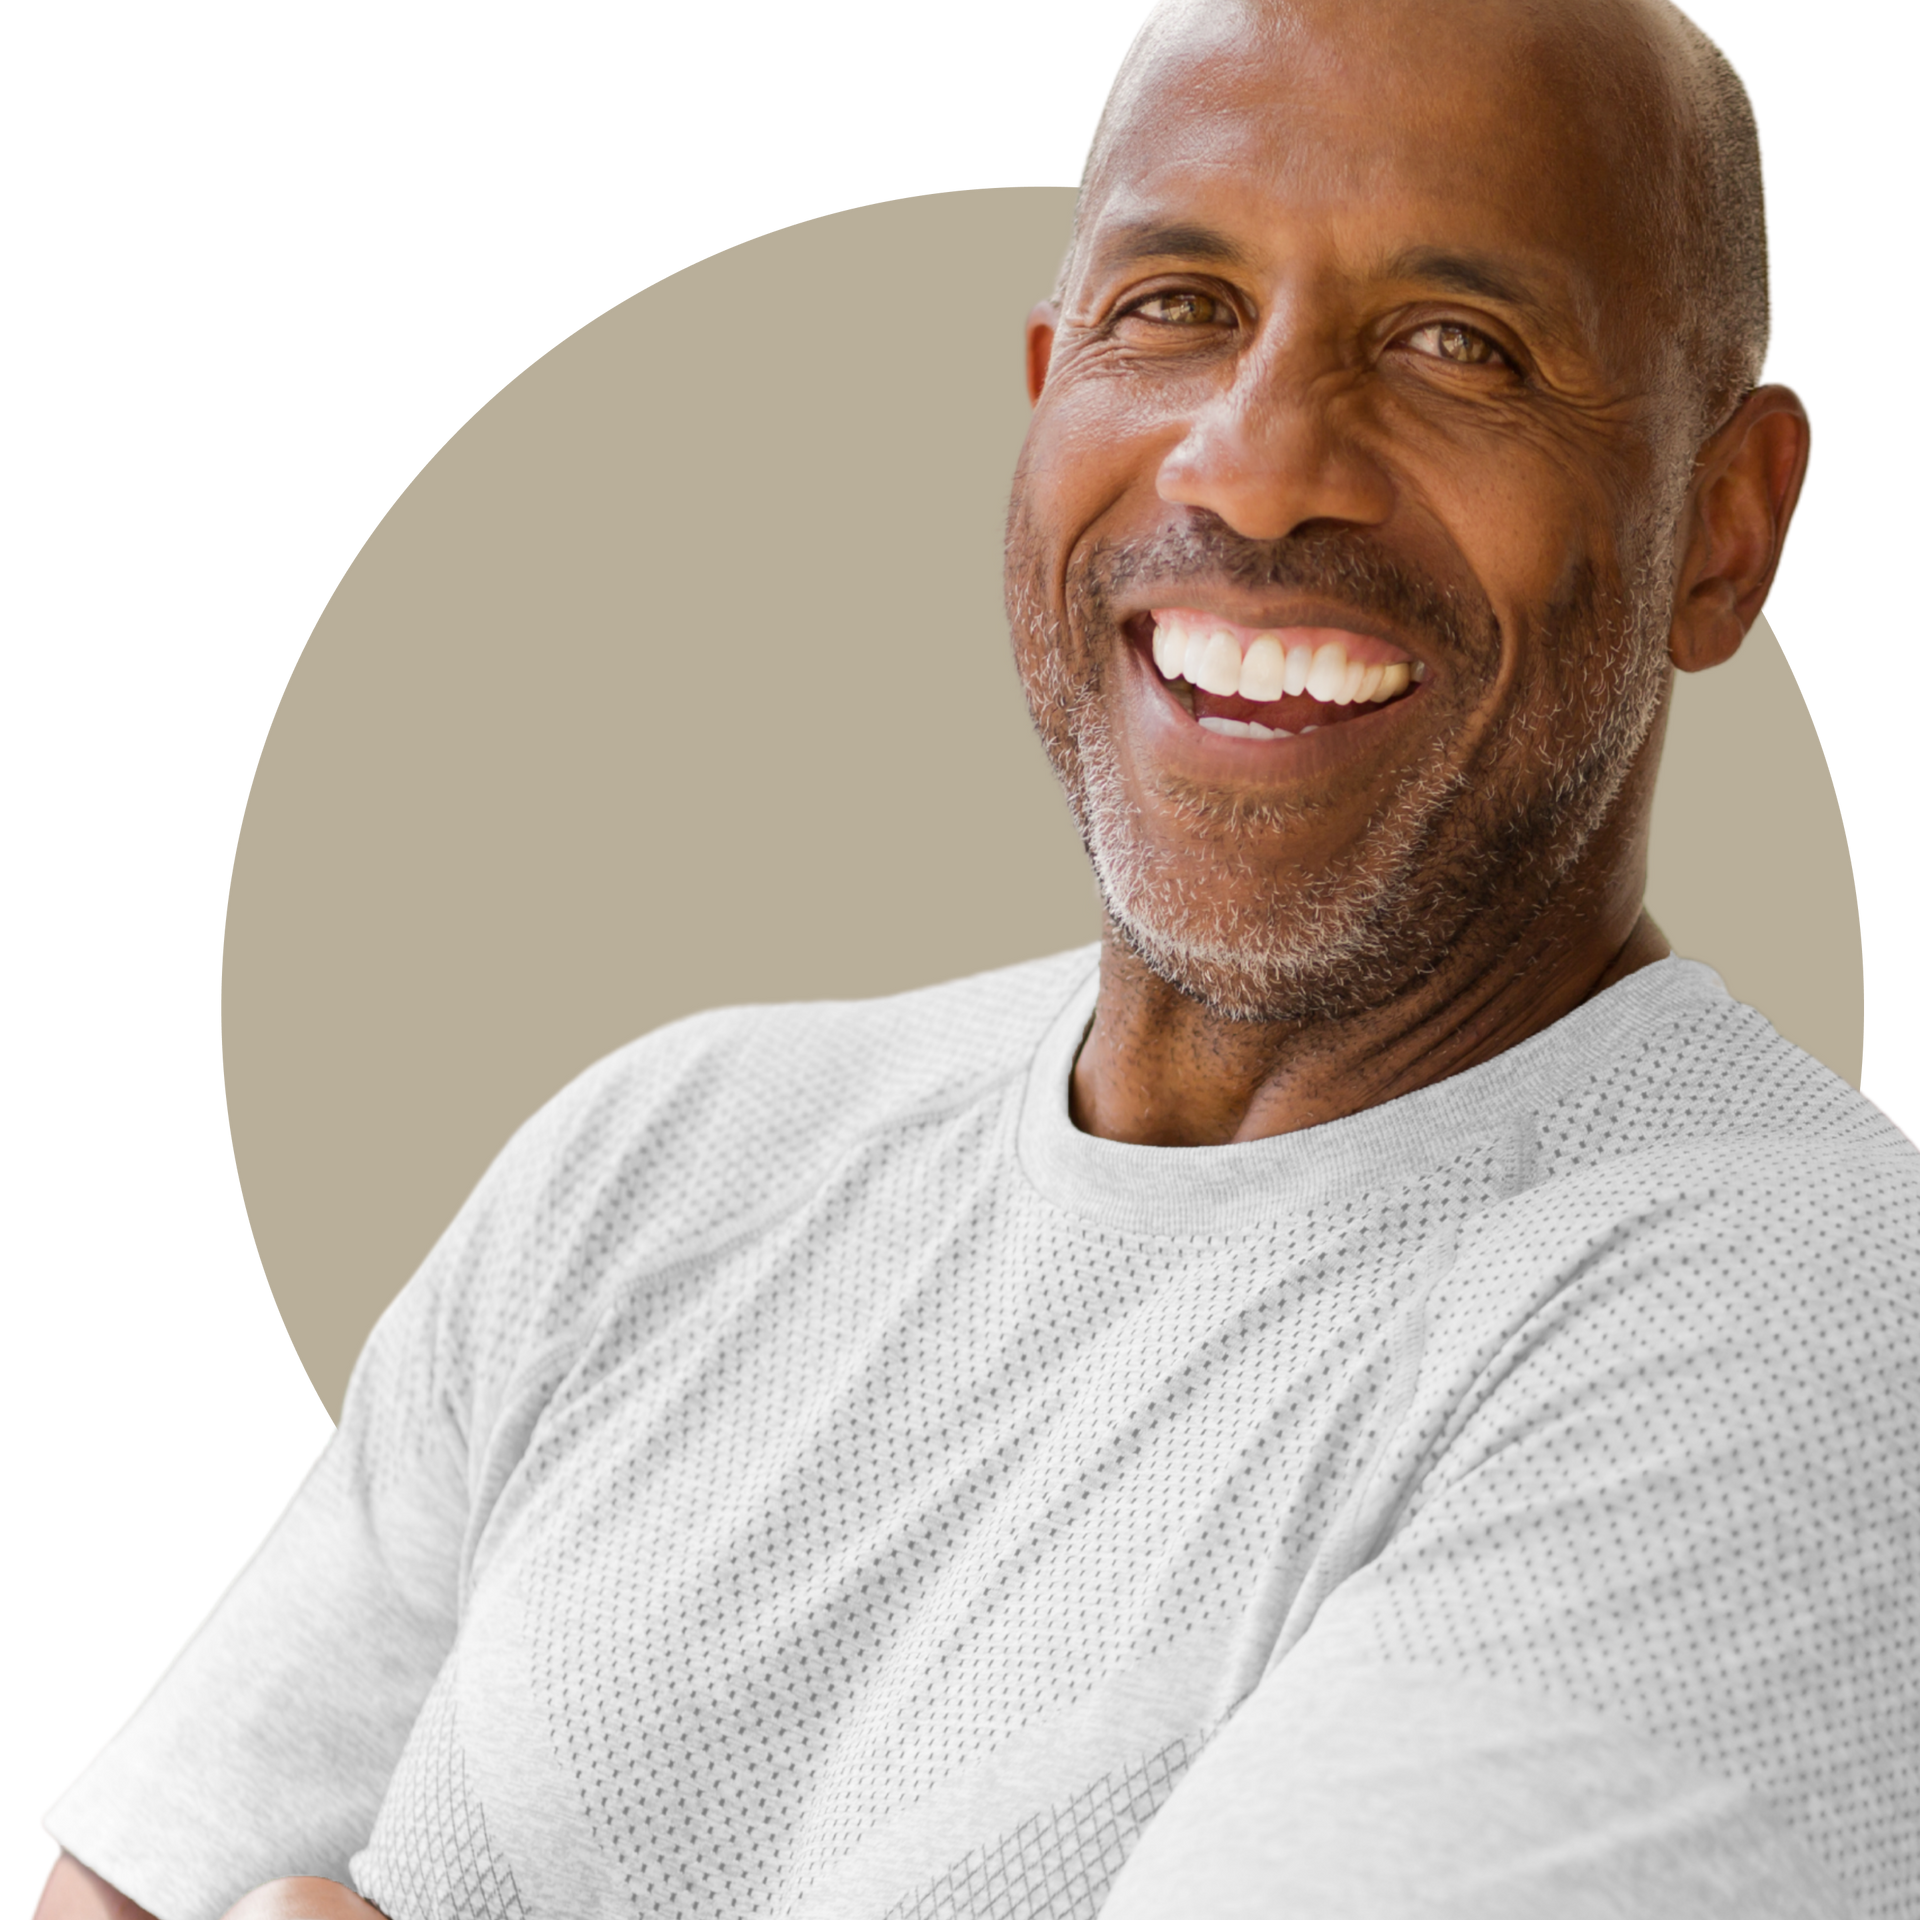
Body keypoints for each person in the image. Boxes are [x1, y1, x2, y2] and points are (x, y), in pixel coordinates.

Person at [34, 0, 1915, 1912]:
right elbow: (129, 1884)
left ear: (1726, 527)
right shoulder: (669, 1152)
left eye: (1458, 346)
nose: (1255, 470)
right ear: (1045, 391)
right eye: (1171, 307)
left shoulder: (1821, 1308)